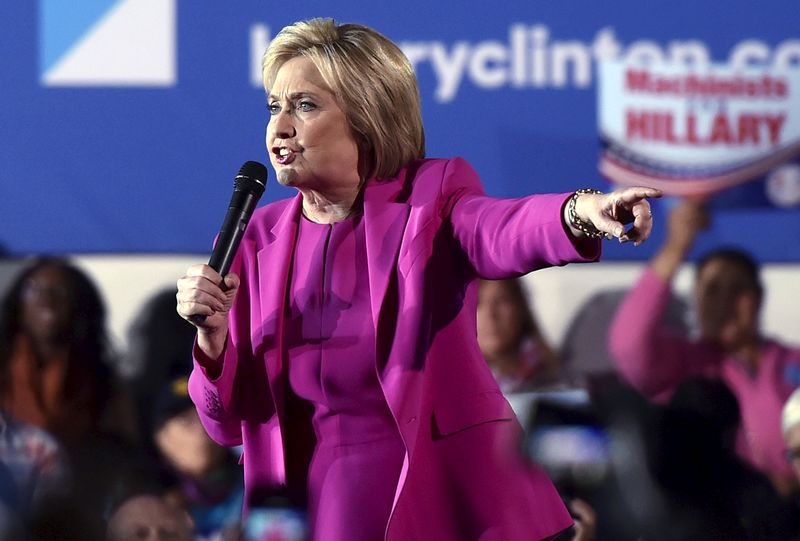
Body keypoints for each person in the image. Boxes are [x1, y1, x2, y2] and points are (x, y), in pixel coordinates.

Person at [176, 18, 660, 541]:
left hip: (445, 502)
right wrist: (212, 341)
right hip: (310, 515)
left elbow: (502, 229)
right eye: (275, 106)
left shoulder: (430, 198)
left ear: (367, 116)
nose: (280, 126)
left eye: (305, 105)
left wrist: (582, 212)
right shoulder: (259, 239)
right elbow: (225, 425)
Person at [608, 200, 800, 495]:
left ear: (759, 298)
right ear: (696, 300)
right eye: (712, 290)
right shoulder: (682, 365)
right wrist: (675, 248)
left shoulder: (794, 361)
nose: (724, 302)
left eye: (737, 290)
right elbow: (628, 346)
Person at [477, 278, 560, 393]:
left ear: (520, 307)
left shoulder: (558, 381)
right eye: (477, 304)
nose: (490, 315)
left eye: (502, 301)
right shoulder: (449, 383)